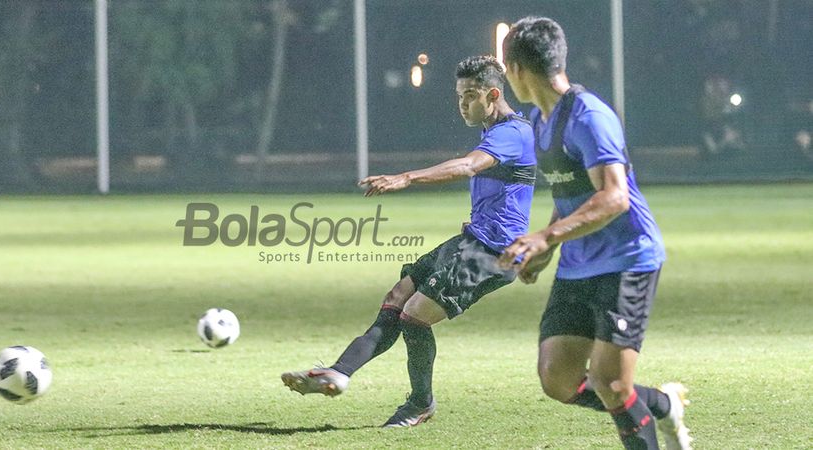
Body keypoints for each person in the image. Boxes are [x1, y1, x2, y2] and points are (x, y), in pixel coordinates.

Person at [281, 55, 536, 427]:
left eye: (469, 96)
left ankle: (420, 404)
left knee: (415, 317)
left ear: (493, 94)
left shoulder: (512, 133)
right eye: (458, 95)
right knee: (398, 297)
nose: (461, 104)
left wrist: (407, 178)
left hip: (493, 253)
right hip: (472, 240)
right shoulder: (496, 131)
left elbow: (467, 166)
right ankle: (338, 372)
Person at [498, 17, 691, 449]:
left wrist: (546, 238)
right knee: (557, 378)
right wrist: (548, 243)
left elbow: (614, 197)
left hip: (627, 259)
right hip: (578, 263)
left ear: (516, 70)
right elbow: (570, 193)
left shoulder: (589, 117)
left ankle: (652, 414)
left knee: (611, 383)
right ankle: (661, 404)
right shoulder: (541, 119)